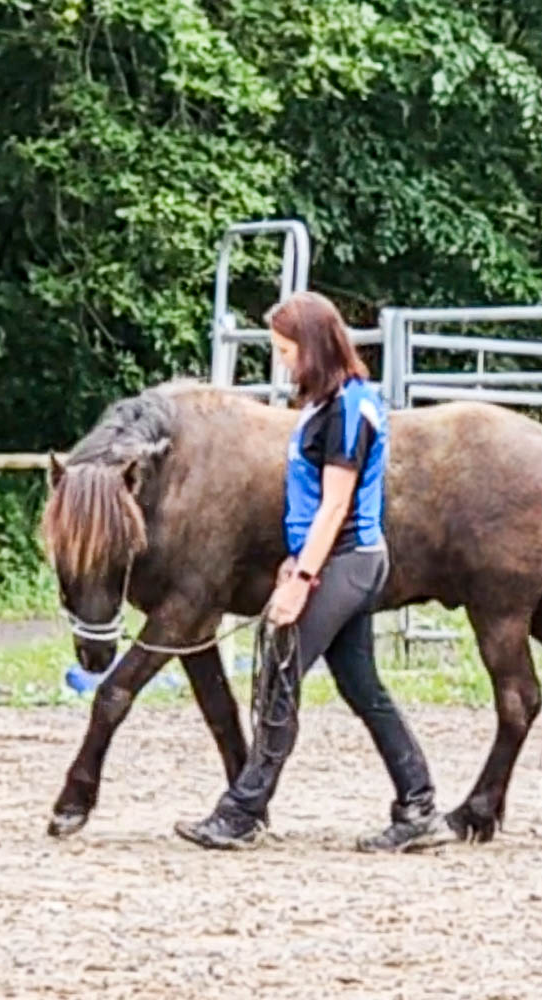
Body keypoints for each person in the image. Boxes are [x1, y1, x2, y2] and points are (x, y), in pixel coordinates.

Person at [174, 290, 450, 853]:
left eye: (286, 349)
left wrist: (302, 581)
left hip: (346, 562)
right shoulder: (330, 406)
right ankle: (418, 804)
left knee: (280, 676)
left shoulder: (349, 410)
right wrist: (295, 557)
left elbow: (335, 504)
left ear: (313, 346)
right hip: (340, 560)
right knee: (362, 687)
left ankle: (242, 812)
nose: (282, 360)